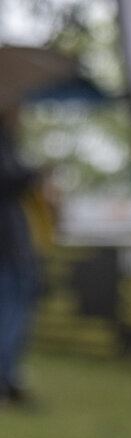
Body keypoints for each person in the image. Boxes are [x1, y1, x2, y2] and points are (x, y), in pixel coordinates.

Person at [0, 111, 38, 404]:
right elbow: (10, 177)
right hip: (9, 247)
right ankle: (5, 380)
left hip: (12, 245)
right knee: (11, 314)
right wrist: (35, 172)